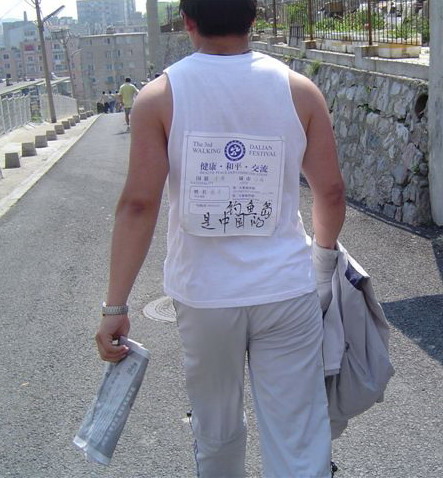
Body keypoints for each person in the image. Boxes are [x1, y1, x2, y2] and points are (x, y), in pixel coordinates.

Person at [95, 0, 346, 476]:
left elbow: (138, 205)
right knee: (297, 434)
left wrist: (116, 306)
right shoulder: (299, 91)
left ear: (188, 21)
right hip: (285, 289)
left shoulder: (158, 97)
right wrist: (323, 260)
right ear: (254, 19)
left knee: (216, 426)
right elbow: (330, 192)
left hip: (204, 295)